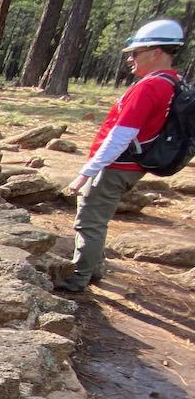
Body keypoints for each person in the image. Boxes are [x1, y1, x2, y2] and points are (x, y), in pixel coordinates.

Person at [61, 19, 186, 293]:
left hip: (118, 164)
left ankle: (79, 278)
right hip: (132, 164)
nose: (130, 59)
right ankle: (94, 269)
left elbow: (121, 135)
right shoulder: (172, 82)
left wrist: (87, 172)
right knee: (99, 217)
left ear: (156, 52)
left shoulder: (149, 87)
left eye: (135, 53)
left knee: (89, 220)